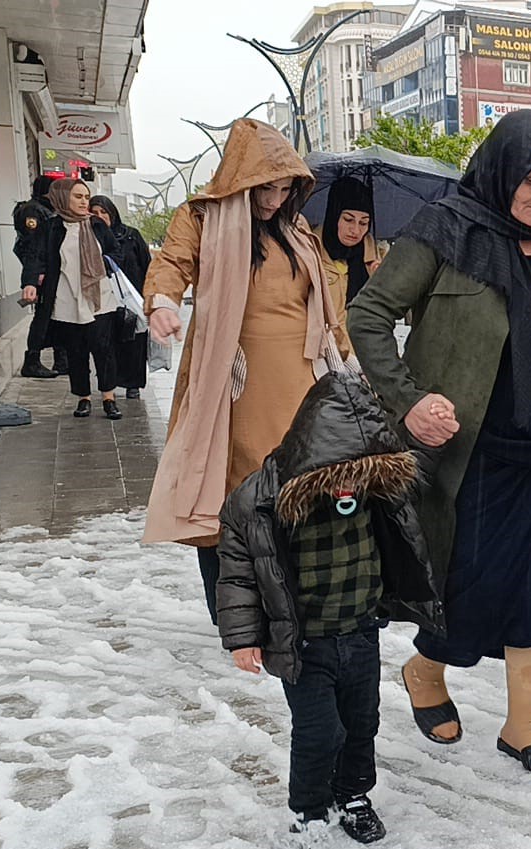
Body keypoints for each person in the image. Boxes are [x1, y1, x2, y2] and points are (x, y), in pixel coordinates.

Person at [350, 110, 531, 781]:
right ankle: (425, 669)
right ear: (503, 169)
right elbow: (369, 314)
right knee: (467, 584)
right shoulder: (444, 232)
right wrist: (410, 400)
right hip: (470, 451)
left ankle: (521, 725)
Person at [217, 370, 443, 849]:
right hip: (304, 644)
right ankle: (308, 812)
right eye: (334, 471)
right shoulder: (260, 501)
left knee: (362, 724)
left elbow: (417, 472)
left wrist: (428, 425)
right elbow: (236, 573)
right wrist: (242, 637)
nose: (345, 483)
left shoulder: (379, 489)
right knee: (320, 732)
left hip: (360, 632)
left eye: (356, 471)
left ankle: (354, 796)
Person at [141, 119, 350, 625]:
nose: (276, 199)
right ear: (241, 178)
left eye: (285, 188)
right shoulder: (201, 217)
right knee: (229, 490)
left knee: (295, 486)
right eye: (267, 187)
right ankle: (233, 609)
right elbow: (172, 263)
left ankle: (290, 600)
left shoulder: (298, 230)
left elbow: (324, 305)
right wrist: (163, 304)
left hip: (302, 380)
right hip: (232, 381)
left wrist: (349, 363)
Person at [31, 178, 124, 419]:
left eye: (86, 197)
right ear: (63, 198)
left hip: (98, 298)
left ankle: (108, 398)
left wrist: (97, 265)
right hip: (66, 299)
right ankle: (83, 398)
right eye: (78, 197)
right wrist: (30, 283)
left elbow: (116, 252)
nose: (84, 202)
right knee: (75, 351)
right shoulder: (52, 228)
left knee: (103, 348)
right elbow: (37, 257)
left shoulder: (96, 225)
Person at [89, 195, 152, 400]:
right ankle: (110, 382)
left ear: (112, 213)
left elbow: (147, 264)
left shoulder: (130, 236)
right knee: (108, 342)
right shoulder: (89, 238)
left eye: (103, 212)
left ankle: (133, 383)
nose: (99, 217)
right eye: (94, 213)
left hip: (132, 297)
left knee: (134, 340)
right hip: (105, 299)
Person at [13, 175, 63, 379]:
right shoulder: (33, 210)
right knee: (43, 315)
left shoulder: (48, 210)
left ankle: (62, 358)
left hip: (49, 270)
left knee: (55, 314)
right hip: (41, 272)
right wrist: (35, 276)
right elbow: (34, 247)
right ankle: (32, 360)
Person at [318, 176, 382, 328]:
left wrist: (381, 282)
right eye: (348, 219)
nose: (355, 230)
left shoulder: (375, 257)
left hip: (361, 347)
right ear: (334, 216)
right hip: (324, 347)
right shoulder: (309, 251)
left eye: (364, 223)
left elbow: (390, 313)